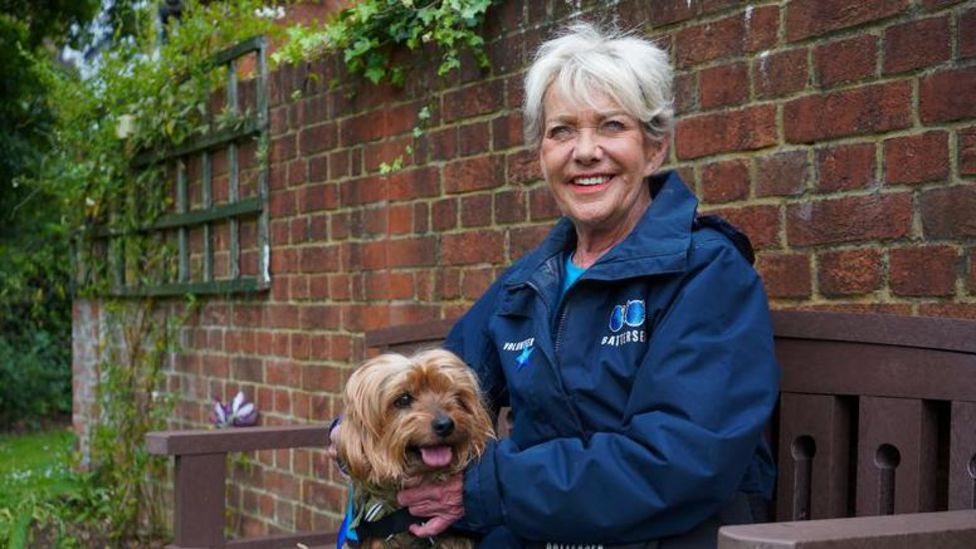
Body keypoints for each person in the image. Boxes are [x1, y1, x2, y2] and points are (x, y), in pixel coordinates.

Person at [343, 22, 780, 548]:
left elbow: (680, 460)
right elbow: (435, 377)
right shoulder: (527, 286)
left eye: (612, 126)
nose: (586, 151)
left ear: (655, 148)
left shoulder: (707, 274)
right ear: (542, 155)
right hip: (540, 532)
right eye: (562, 131)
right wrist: (355, 425)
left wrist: (490, 488)